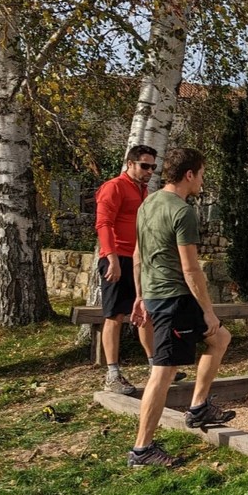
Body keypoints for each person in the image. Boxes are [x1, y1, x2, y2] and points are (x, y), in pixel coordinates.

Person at [127, 148, 235, 467]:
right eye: (201, 173)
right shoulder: (182, 211)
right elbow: (191, 269)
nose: (202, 180)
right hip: (173, 299)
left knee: (220, 340)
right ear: (189, 174)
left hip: (159, 295)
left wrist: (139, 295)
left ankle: (199, 406)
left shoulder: (148, 203)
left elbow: (137, 255)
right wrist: (208, 310)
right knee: (163, 372)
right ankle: (142, 449)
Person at [94, 144, 157, 395]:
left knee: (145, 311)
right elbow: (104, 223)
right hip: (117, 257)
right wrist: (111, 258)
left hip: (138, 258)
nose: (149, 171)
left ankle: (156, 366)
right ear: (130, 164)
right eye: (144, 166)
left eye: (152, 167)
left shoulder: (143, 191)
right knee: (115, 316)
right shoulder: (114, 187)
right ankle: (112, 374)